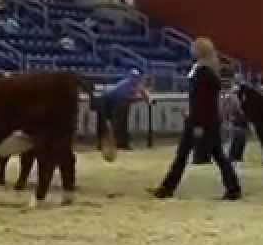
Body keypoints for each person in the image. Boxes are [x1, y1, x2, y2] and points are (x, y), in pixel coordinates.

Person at [150, 37, 241, 201]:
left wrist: (198, 123)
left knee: (185, 154)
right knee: (216, 155)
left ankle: (167, 188)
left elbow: (202, 101)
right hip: (206, 119)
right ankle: (233, 188)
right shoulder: (206, 70)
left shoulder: (203, 72)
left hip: (200, 120)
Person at [98, 69, 149, 150]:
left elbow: (143, 93)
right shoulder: (126, 84)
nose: (135, 79)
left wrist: (146, 97)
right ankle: (110, 143)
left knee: (121, 122)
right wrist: (140, 98)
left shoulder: (135, 84)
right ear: (130, 77)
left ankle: (121, 143)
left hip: (117, 102)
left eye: (137, 77)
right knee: (114, 123)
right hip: (109, 101)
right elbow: (127, 97)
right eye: (134, 77)